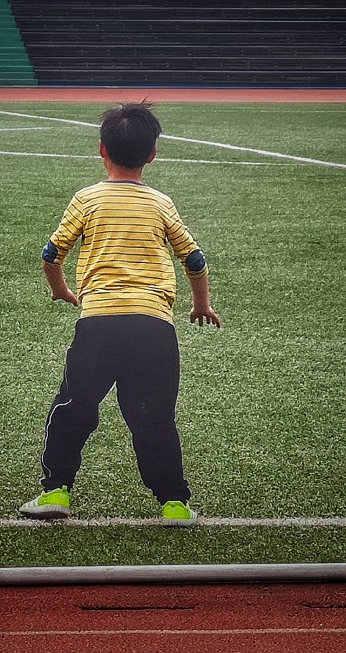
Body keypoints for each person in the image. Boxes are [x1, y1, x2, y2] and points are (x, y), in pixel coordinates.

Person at [19, 103, 221, 527]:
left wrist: (60, 291)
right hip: (154, 327)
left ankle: (55, 492)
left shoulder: (87, 198)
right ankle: (174, 503)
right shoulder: (161, 203)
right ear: (153, 155)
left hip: (99, 324)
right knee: (155, 420)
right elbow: (195, 259)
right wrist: (201, 304)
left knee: (73, 408)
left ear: (101, 150)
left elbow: (51, 254)